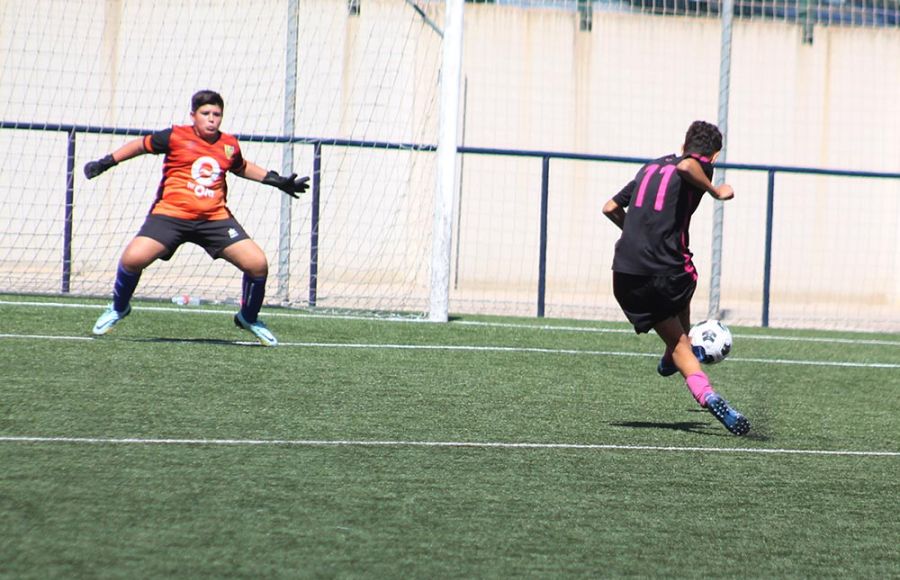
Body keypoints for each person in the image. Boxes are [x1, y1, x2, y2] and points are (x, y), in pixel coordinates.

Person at [84, 90, 309, 347]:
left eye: (217, 114)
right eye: (206, 114)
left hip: (214, 219)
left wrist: (276, 180)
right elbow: (139, 146)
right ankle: (119, 308)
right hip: (170, 215)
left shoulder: (229, 144)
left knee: (257, 264)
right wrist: (106, 162)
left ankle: (249, 317)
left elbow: (241, 166)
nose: (212, 119)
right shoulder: (175, 136)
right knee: (132, 259)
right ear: (193, 116)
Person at [602, 120, 750, 435]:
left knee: (680, 342)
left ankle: (686, 370)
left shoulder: (650, 168)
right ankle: (687, 368)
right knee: (688, 276)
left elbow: (610, 207)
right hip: (665, 271)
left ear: (683, 143)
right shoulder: (698, 167)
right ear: (715, 155)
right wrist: (715, 190)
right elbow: (686, 168)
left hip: (624, 273)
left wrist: (635, 234)